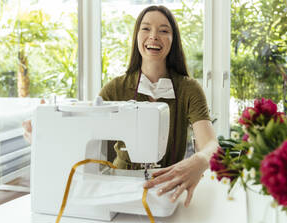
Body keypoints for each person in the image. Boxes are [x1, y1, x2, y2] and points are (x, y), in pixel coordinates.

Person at [23, 5, 218, 208]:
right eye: (146, 28)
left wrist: (200, 160)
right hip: (118, 187)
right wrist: (43, 136)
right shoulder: (115, 88)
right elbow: (89, 137)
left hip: (167, 188)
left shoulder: (188, 89)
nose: (154, 36)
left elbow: (211, 144)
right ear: (136, 36)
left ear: (173, 40)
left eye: (163, 30)